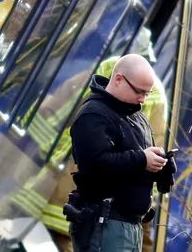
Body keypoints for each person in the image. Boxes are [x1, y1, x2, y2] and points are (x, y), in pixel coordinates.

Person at [65, 54, 176, 252]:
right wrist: (142, 159)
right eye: (139, 92)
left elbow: (132, 164)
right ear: (118, 79)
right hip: (105, 223)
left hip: (132, 224)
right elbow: (94, 163)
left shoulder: (136, 116)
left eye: (147, 94)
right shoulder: (94, 114)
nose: (142, 99)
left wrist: (161, 166)